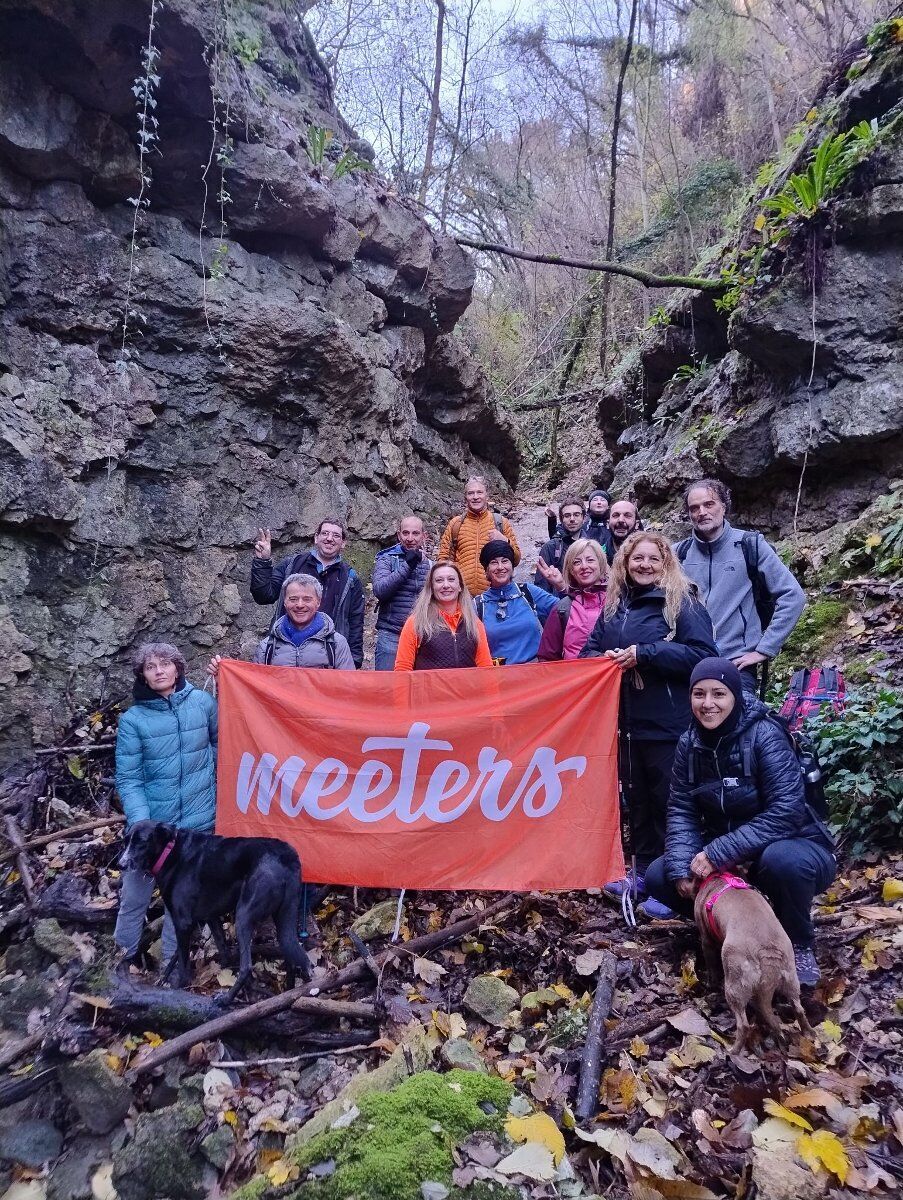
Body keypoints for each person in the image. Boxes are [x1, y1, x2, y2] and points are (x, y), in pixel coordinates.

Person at [644, 658, 836, 985]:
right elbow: (681, 809)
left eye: (718, 694)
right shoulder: (689, 744)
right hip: (731, 859)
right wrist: (681, 869)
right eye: (699, 694)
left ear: (734, 695)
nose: (708, 704)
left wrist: (717, 854)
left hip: (794, 847)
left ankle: (799, 941)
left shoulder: (765, 735)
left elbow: (786, 812)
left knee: (783, 862)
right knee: (659, 875)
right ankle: (728, 928)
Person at [580, 532, 717, 917]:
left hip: (667, 724)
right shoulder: (615, 607)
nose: (644, 565)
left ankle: (675, 886)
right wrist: (602, 658)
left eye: (652, 559)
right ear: (624, 563)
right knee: (637, 801)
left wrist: (647, 654)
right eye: (636, 559)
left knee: (669, 805)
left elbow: (703, 656)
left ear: (665, 563)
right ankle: (642, 873)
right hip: (624, 724)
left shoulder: (682, 603)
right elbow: (589, 648)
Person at [114, 642, 217, 969]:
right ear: (142, 675)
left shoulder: (202, 703)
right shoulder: (133, 720)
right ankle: (120, 965)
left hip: (196, 827)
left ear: (178, 668)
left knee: (181, 903)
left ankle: (172, 970)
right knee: (134, 899)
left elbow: (224, 744)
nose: (159, 671)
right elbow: (128, 778)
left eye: (165, 664)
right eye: (150, 667)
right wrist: (142, 825)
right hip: (151, 831)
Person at [676, 479, 805, 694]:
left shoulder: (750, 545)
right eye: (694, 508)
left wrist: (765, 648)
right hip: (690, 664)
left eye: (709, 504)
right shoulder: (678, 553)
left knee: (737, 726)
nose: (702, 512)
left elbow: (793, 595)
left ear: (724, 506)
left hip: (737, 663)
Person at [250, 519, 365, 668]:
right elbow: (264, 596)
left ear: (343, 543)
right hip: (286, 649)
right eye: (325, 533)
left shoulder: (350, 577)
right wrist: (262, 562)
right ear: (316, 538)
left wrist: (354, 660)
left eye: (336, 535)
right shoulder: (291, 565)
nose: (329, 538)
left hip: (327, 656)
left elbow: (355, 620)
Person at [210, 574, 355, 673]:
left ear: (318, 602)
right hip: (279, 718)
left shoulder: (336, 644)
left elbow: (349, 689)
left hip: (321, 718)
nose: (299, 605)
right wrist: (222, 676)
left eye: (307, 599)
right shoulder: (267, 647)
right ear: (284, 602)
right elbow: (253, 692)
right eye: (293, 599)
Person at [394, 561, 493, 670]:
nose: (446, 585)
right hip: (427, 687)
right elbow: (402, 669)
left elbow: (486, 668)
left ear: (460, 586)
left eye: (451, 579)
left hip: (467, 687)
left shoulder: (474, 624)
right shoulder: (416, 623)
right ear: (431, 588)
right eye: (439, 580)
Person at [477, 539, 558, 664]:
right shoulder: (478, 605)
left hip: (535, 674)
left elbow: (567, 611)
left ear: (512, 566)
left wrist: (561, 586)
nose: (500, 567)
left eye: (505, 561)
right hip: (498, 678)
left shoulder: (529, 592)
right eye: (494, 562)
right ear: (486, 569)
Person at [438, 476, 521, 597]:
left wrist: (505, 540)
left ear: (487, 496)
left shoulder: (500, 523)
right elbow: (443, 559)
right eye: (471, 493)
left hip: (494, 595)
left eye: (479, 492)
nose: (475, 497)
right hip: (462, 596)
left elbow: (516, 560)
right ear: (465, 498)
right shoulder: (455, 524)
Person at [371, 515, 431, 671]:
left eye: (415, 533)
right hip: (392, 634)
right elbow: (380, 590)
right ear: (399, 535)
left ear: (424, 536)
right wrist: (408, 565)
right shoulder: (386, 559)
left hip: (422, 636)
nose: (410, 538)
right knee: (387, 688)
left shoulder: (431, 565)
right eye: (405, 533)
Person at [537, 539, 608, 661]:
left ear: (601, 564)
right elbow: (547, 658)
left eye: (590, 560)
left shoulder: (619, 601)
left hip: (616, 678)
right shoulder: (562, 609)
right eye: (577, 562)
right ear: (571, 570)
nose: (584, 566)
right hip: (577, 677)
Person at [534, 497, 586, 594]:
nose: (572, 519)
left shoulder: (591, 546)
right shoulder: (550, 547)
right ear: (561, 520)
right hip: (559, 605)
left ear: (584, 518)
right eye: (567, 516)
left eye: (576, 515)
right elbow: (541, 587)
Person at [603, 498, 642, 565]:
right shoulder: (599, 555)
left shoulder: (647, 556)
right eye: (616, 515)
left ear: (637, 524)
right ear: (608, 523)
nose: (621, 520)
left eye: (627, 516)